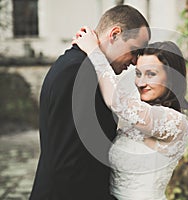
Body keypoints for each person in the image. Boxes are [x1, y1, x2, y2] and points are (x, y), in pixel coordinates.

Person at [29, 5, 150, 200]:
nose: (136, 61)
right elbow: (68, 164)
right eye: (135, 50)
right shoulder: (78, 73)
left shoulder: (84, 68)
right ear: (115, 34)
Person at [72, 27, 188, 200]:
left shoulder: (176, 123)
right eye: (138, 73)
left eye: (151, 74)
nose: (141, 82)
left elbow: (116, 101)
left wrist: (94, 52)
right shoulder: (137, 117)